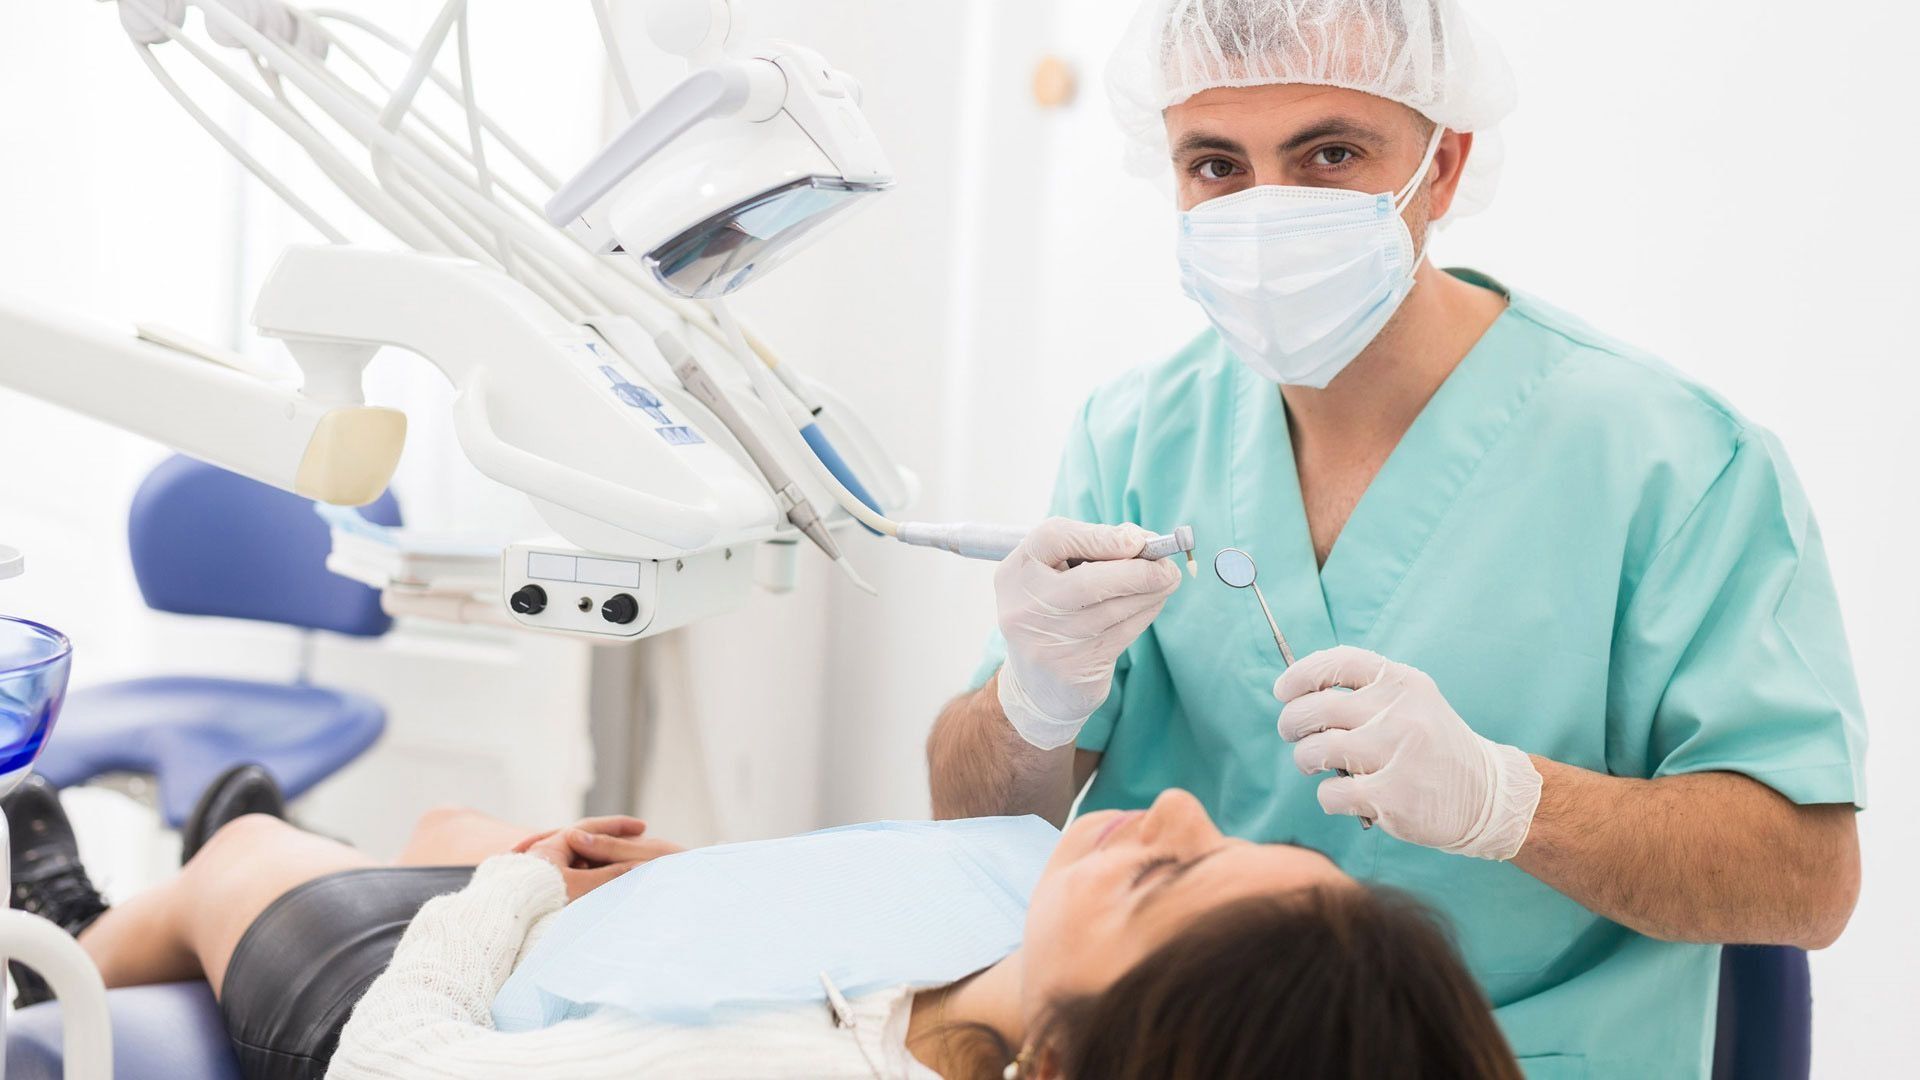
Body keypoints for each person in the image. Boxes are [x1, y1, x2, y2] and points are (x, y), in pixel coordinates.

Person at [926, 1, 1867, 1076]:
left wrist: (1510, 803)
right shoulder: (1138, 431)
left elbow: (1806, 879)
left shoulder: (1675, 462)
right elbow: (978, 824)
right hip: (1176, 1049)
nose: (1268, 208)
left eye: (1330, 153)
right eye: (1217, 165)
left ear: (1445, 166)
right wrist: (1032, 704)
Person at [6, 769, 1521, 1080]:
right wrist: (686, 890)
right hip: (584, 983)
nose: (1178, 804)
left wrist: (523, 892)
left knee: (260, 858)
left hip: (388, 1035)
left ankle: (65, 925)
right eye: (1243, 841)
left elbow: (403, 1057)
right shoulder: (1007, 1002)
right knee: (461, 823)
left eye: (1164, 875)